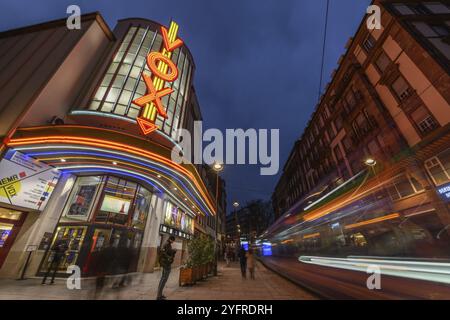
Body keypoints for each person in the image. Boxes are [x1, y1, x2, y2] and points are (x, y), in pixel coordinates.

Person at [156, 236, 176, 300]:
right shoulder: (167, 244)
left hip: (164, 263)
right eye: (173, 240)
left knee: (163, 278)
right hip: (166, 263)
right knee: (164, 279)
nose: (173, 242)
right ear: (171, 239)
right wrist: (174, 251)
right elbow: (168, 252)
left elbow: (166, 252)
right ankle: (159, 296)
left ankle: (159, 294)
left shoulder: (166, 244)